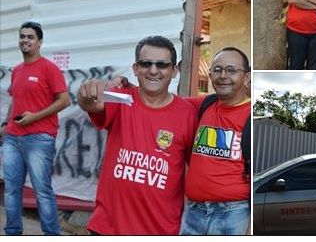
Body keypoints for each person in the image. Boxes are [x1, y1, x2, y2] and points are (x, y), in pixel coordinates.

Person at [77, 35, 197, 235]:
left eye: (162, 65)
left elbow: (193, 170)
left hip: (161, 232)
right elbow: (90, 103)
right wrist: (86, 92)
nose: (153, 70)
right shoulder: (120, 99)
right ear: (135, 68)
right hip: (108, 229)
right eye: (145, 63)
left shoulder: (188, 114)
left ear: (174, 71)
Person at [0, 21, 70, 235]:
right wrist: (5, 124)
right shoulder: (17, 70)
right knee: (11, 191)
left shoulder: (49, 68)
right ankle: (12, 233)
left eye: (30, 37)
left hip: (39, 137)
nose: (25, 40)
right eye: (22, 36)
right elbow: (15, 100)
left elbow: (64, 100)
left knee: (42, 191)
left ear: (39, 42)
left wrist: (34, 117)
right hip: (12, 137)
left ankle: (51, 235)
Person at [180, 47, 251, 236]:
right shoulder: (203, 105)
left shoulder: (253, 116)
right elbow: (164, 102)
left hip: (233, 215)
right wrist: (128, 86)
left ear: (247, 77)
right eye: (217, 69)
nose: (223, 75)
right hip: (193, 213)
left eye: (231, 70)